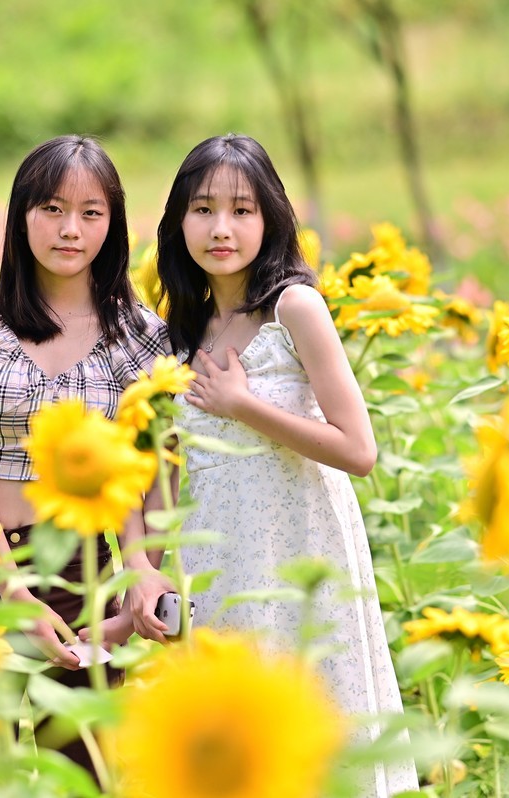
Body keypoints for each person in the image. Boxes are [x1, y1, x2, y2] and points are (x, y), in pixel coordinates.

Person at [155, 134, 420, 795]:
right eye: (203, 209)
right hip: (222, 573)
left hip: (301, 559)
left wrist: (243, 406)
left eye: (242, 210)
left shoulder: (294, 307)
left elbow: (359, 451)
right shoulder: (180, 330)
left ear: (270, 216)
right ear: (177, 221)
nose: (221, 228)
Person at [0, 135, 171, 773]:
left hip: (80, 572)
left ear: (113, 225)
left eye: (92, 213)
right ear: (21, 216)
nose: (71, 230)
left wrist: (138, 572)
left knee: (81, 767)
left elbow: (150, 475)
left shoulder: (139, 338)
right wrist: (13, 591)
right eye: (53, 209)